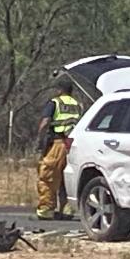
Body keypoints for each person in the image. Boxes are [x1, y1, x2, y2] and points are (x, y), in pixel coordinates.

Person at [35, 75, 82, 220]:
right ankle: (67, 210)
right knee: (66, 178)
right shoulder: (78, 105)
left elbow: (45, 123)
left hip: (57, 143)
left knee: (48, 176)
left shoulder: (54, 103)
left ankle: (46, 210)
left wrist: (39, 141)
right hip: (73, 145)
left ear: (59, 89)